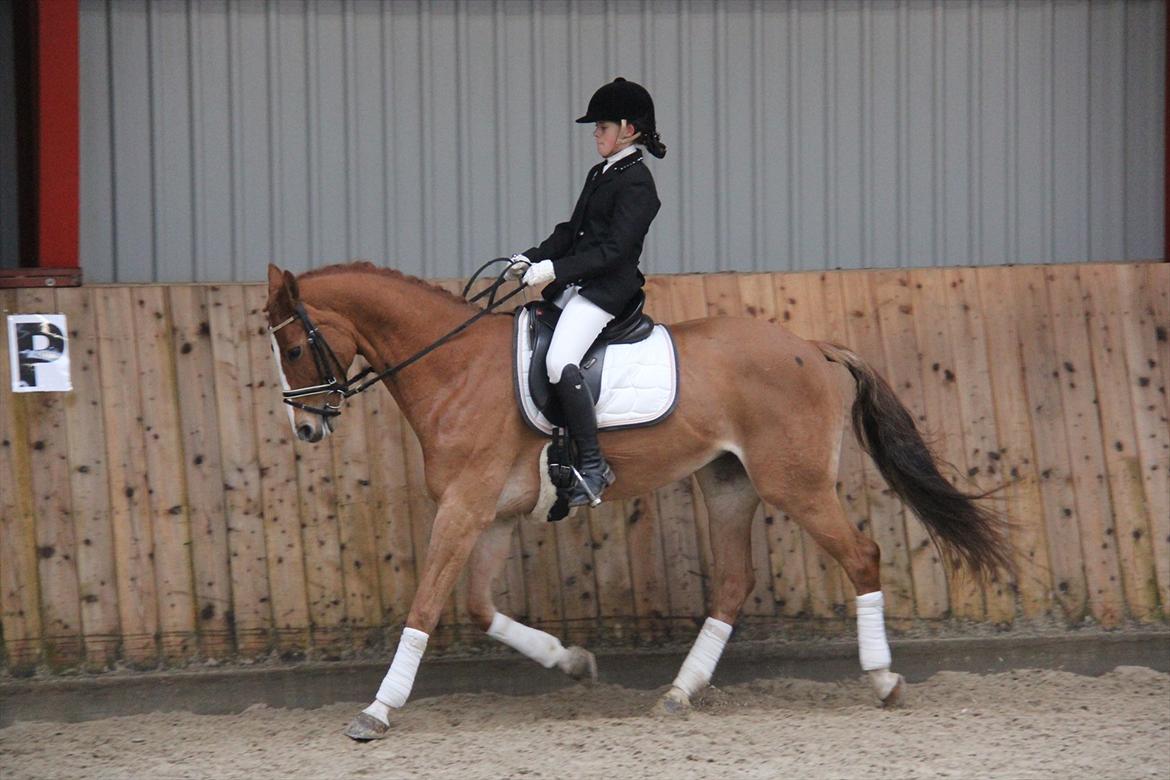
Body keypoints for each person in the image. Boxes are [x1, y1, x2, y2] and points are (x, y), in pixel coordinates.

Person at [507, 77, 666, 507]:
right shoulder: (602, 172)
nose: (596, 133)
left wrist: (553, 269)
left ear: (628, 129)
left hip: (607, 291)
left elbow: (615, 250)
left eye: (602, 126)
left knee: (561, 360)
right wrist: (530, 257)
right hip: (579, 283)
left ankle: (594, 467)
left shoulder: (638, 185)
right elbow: (571, 231)